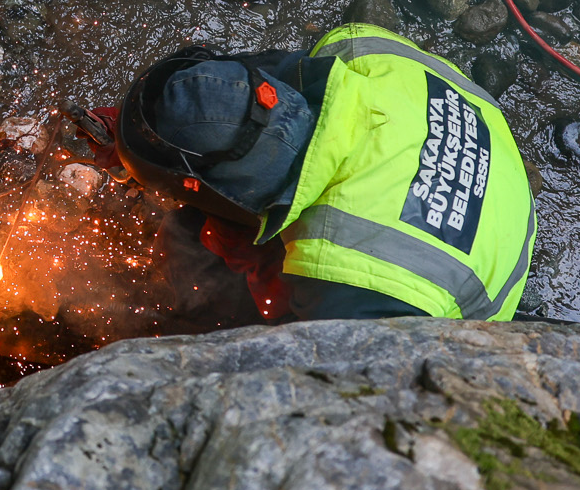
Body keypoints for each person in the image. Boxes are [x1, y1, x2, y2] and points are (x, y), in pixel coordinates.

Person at [112, 22, 535, 327]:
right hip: (499, 185)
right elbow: (263, 80)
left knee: (193, 243)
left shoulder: (344, 278)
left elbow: (327, 374)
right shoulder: (359, 48)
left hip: (462, 309)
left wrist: (261, 268)